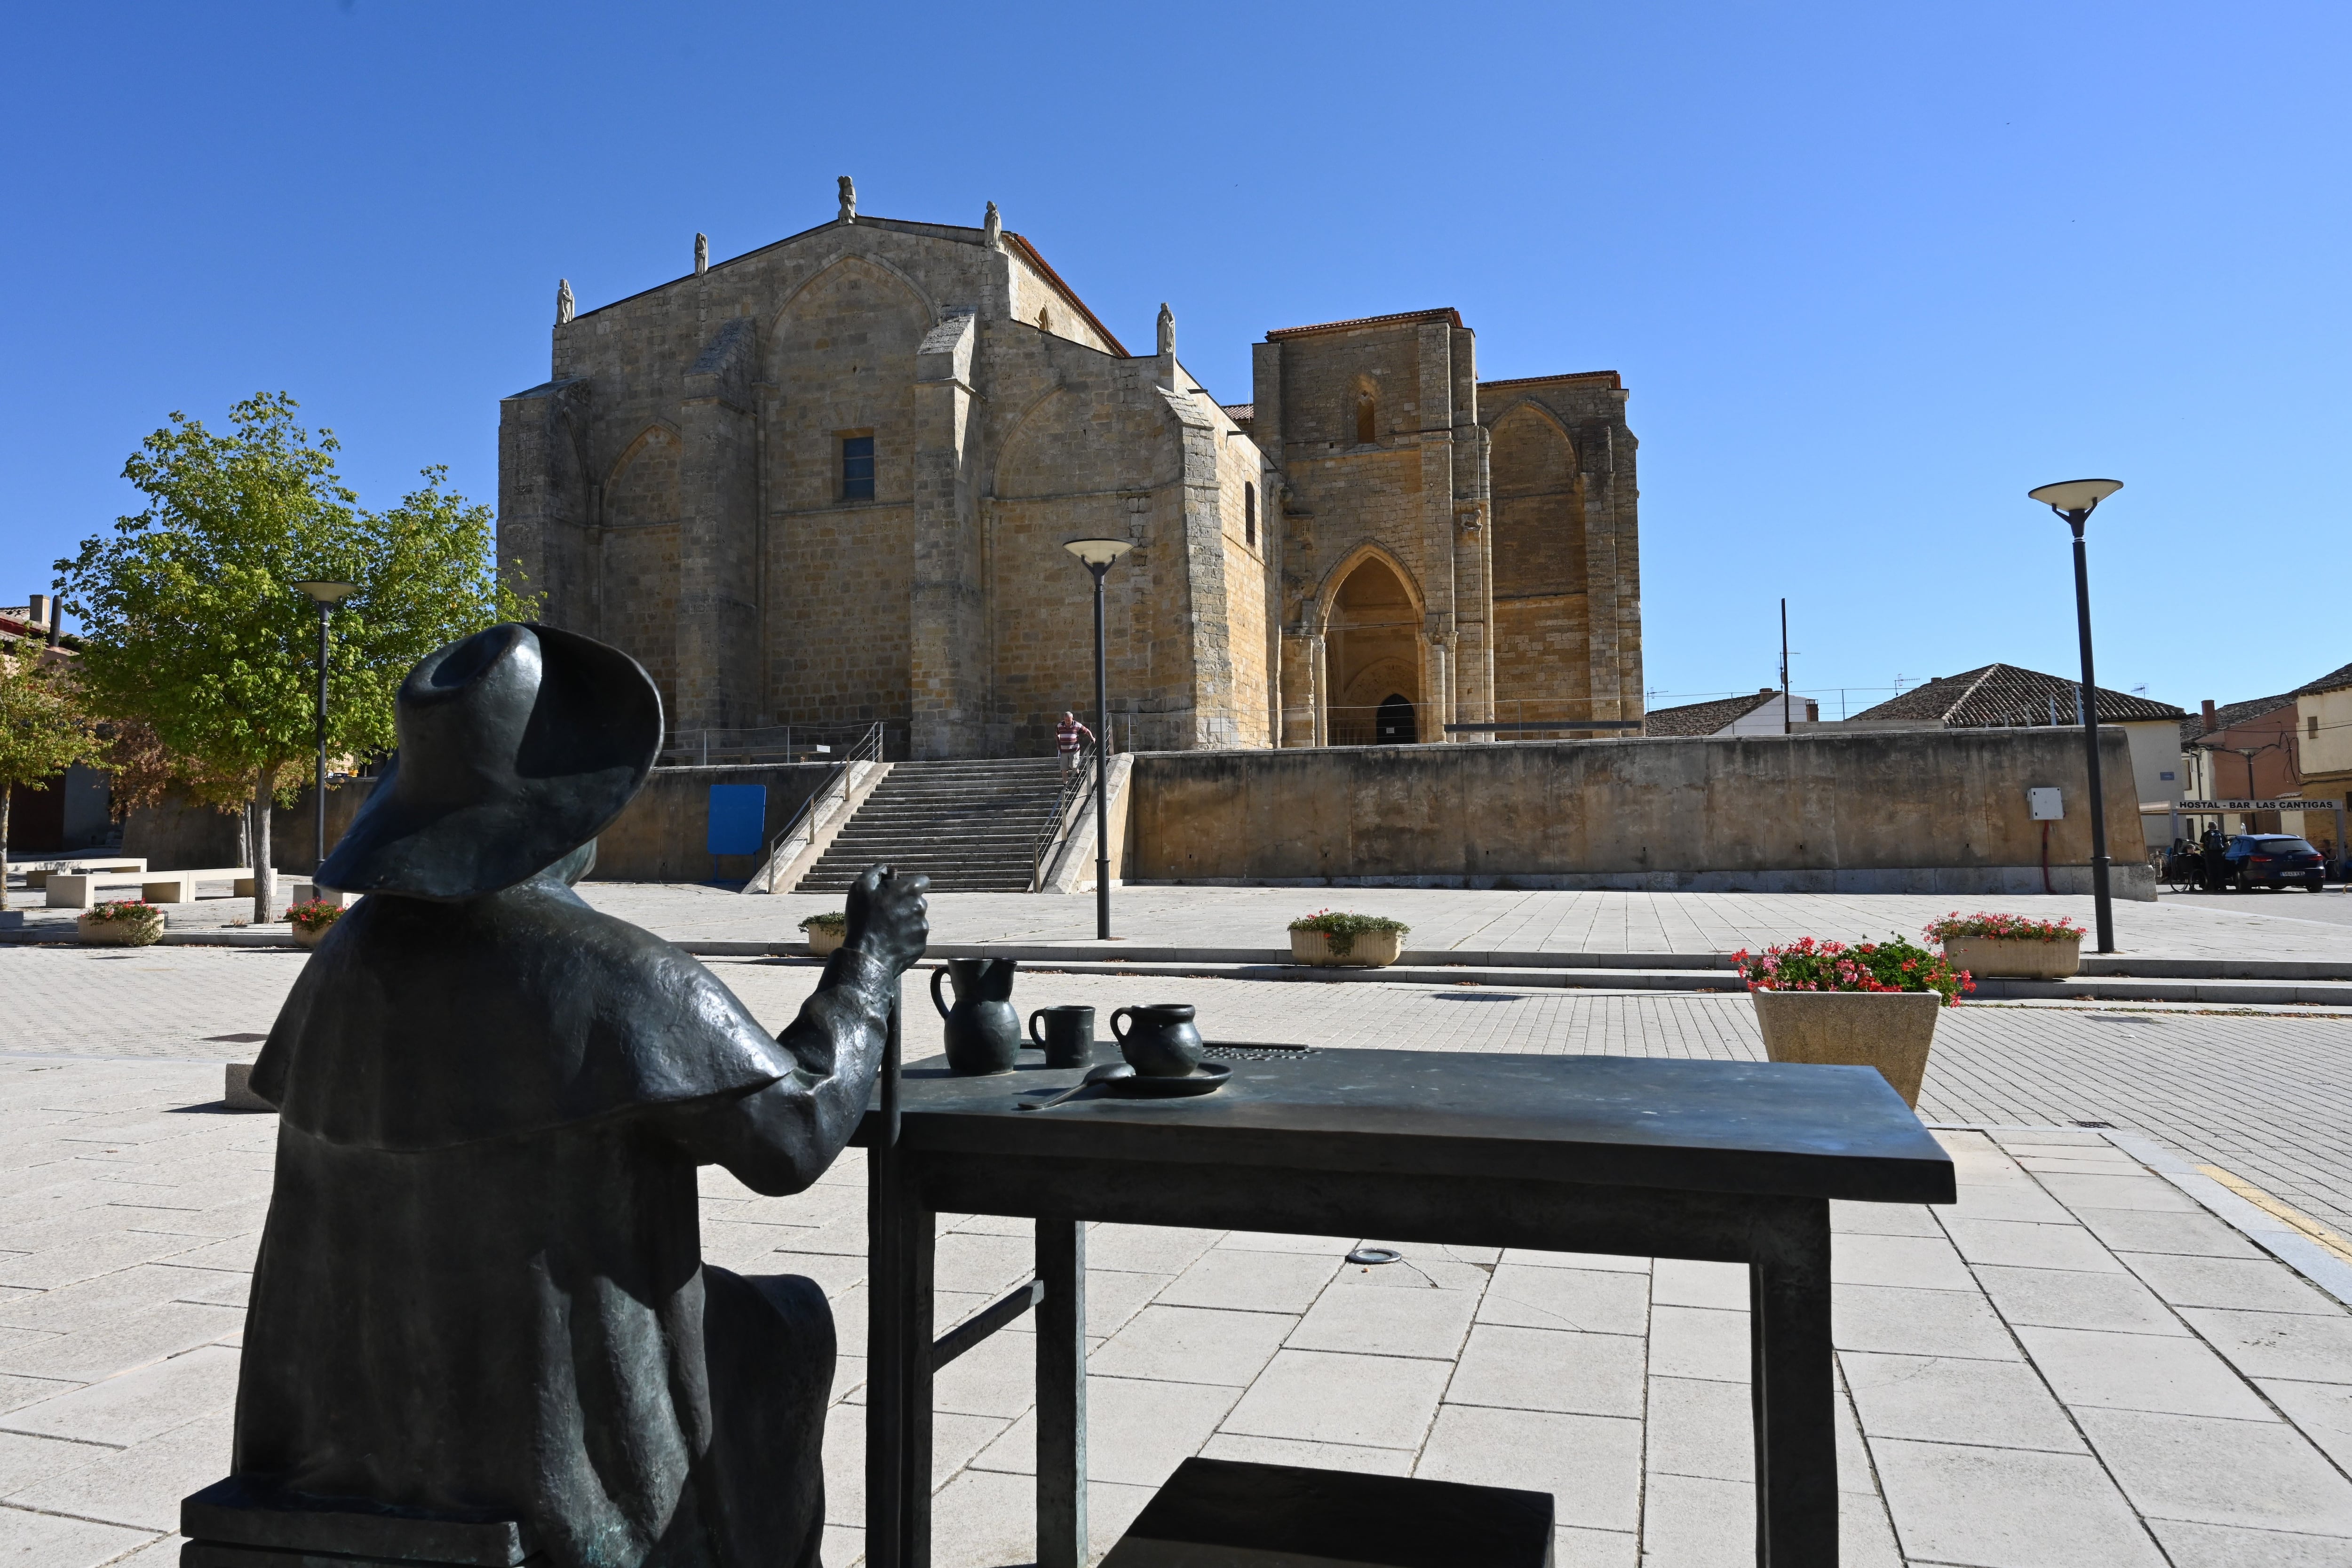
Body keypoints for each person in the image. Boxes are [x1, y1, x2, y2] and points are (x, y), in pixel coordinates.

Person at [213, 623, 928, 1568]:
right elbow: (792, 1135)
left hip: (343, 1451)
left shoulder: (343, 963)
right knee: (788, 1322)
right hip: (552, 1480)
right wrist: (868, 968)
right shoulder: (614, 973)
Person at [1056, 708, 1094, 773]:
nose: (1068, 722)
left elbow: (1087, 731)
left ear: (1072, 718)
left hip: (1074, 750)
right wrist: (1058, 745)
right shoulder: (1060, 726)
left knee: (1073, 766)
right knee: (1064, 770)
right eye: (1066, 720)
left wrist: (1092, 737)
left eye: (1069, 720)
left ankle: (1078, 776)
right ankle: (1065, 783)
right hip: (1064, 751)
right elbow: (1057, 734)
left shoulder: (1077, 725)